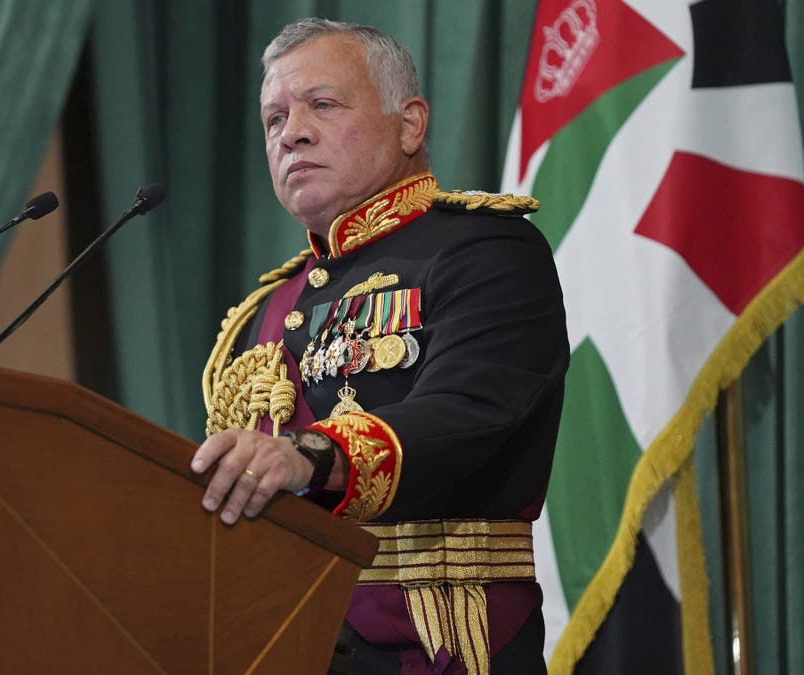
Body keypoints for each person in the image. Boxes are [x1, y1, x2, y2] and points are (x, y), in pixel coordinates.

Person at [192, 18, 569, 675]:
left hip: (435, 646)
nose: (293, 132)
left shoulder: (484, 250)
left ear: (411, 123)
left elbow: (468, 412)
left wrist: (314, 453)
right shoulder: (270, 305)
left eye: (323, 105)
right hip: (278, 642)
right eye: (274, 118)